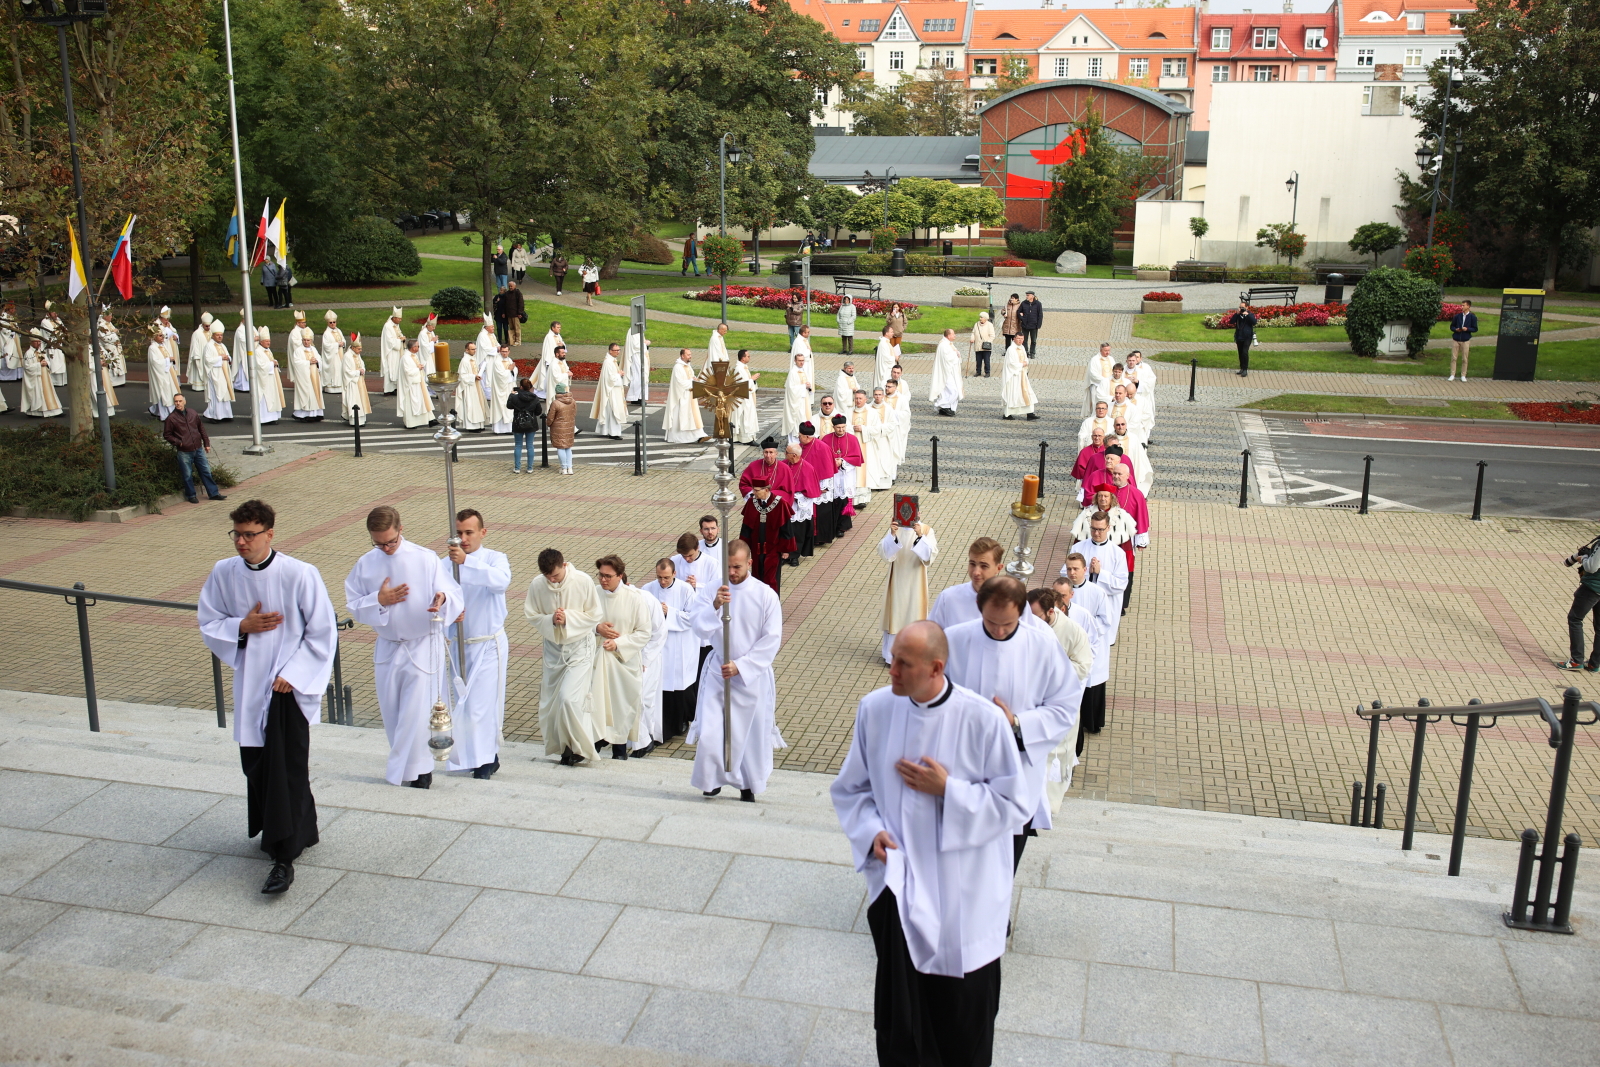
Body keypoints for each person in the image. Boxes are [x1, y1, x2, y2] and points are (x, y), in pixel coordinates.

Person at [830, 620, 1027, 1067]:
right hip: (901, 889)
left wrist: (950, 791)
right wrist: (870, 833)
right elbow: (852, 790)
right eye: (893, 658)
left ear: (936, 668)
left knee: (961, 1027)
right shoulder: (875, 709)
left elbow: (1015, 805)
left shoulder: (983, 720)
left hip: (964, 899)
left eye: (904, 663)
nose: (891, 670)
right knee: (902, 1026)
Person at [197, 499, 337, 895]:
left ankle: (283, 857)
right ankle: (301, 829)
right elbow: (208, 620)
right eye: (237, 534)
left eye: (249, 535)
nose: (241, 542)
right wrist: (242, 625)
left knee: (285, 769)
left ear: (270, 534)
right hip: (250, 683)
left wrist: (293, 674)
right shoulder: (224, 573)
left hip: (287, 687)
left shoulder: (299, 574)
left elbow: (323, 632)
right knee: (256, 764)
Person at [945, 575, 1081, 870]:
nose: (998, 630)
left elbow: (1065, 706)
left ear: (1021, 613)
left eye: (1007, 624)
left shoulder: (1042, 644)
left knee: (1003, 866)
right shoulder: (955, 639)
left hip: (1018, 767)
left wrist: (1018, 721)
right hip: (964, 766)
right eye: (991, 622)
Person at [344, 506, 463, 788]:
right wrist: (378, 600)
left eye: (390, 541)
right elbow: (354, 605)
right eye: (379, 543)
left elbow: (453, 593)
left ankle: (420, 772)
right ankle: (409, 768)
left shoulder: (424, 558)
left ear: (401, 529)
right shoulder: (366, 563)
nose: (385, 548)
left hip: (422, 644)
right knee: (394, 713)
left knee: (416, 713)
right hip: (388, 646)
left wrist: (442, 600)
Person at [688, 541, 784, 802]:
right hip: (719, 671)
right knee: (712, 731)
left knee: (749, 734)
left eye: (737, 567)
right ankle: (712, 780)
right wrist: (716, 606)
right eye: (728, 566)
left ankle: (747, 784)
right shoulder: (713, 590)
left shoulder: (765, 595)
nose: (731, 572)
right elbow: (697, 626)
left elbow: (772, 638)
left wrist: (741, 666)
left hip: (750, 676)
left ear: (749, 563)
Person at [444, 509, 512, 779]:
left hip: (487, 644)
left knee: (483, 703)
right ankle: (470, 754)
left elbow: (500, 582)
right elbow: (436, 597)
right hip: (458, 644)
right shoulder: (443, 563)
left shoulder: (495, 559)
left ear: (482, 532)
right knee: (464, 703)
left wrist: (467, 563)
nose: (463, 539)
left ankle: (487, 759)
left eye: (469, 533)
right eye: (458, 533)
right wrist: (449, 610)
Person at [523, 547, 605, 765]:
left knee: (569, 698)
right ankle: (565, 747)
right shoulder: (537, 584)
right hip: (553, 650)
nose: (552, 580)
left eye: (556, 575)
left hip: (579, 648)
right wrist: (551, 619)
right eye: (547, 576)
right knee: (554, 702)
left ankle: (581, 747)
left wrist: (568, 617)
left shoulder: (582, 581)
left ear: (564, 565)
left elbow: (595, 615)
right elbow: (531, 614)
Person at [589, 555, 658, 759]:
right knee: (598, 703)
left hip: (624, 662)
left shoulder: (634, 598)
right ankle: (596, 742)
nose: (603, 580)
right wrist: (597, 628)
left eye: (608, 576)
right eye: (600, 575)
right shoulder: (593, 594)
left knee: (622, 706)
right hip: (598, 661)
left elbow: (644, 632)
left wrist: (618, 643)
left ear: (620, 575)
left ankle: (619, 750)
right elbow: (582, 622)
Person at [1030, 586, 1094, 806]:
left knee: (1054, 762)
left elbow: (1083, 667)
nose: (1031, 622)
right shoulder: (1027, 627)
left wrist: (1053, 668)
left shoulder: (1073, 631)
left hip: (1059, 704)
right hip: (1032, 704)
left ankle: (1048, 806)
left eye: (1036, 616)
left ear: (1050, 612)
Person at [642, 558, 699, 741]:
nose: (662, 581)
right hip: (658, 646)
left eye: (666, 577)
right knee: (659, 688)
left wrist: (669, 612)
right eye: (659, 577)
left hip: (679, 645)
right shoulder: (648, 589)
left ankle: (679, 722)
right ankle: (660, 727)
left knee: (678, 687)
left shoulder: (685, 589)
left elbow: (692, 617)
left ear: (674, 574)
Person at [1060, 553, 1113, 743]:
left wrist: (1086, 633)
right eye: (1069, 569)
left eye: (1076, 569)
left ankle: (1091, 722)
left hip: (1092, 643)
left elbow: (1106, 620)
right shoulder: (1061, 591)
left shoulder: (1097, 592)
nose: (1072, 572)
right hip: (1068, 647)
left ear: (1085, 570)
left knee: (1091, 684)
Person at [878, 516, 937, 663]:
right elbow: (885, 554)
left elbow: (930, 556)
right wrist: (892, 534)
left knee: (914, 613)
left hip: (916, 580)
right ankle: (892, 656)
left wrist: (919, 536)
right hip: (898, 578)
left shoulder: (926, 530)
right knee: (896, 613)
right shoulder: (896, 529)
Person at [1070, 510, 1130, 643]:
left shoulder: (1118, 553)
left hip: (1106, 603)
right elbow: (1065, 573)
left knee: (1102, 643)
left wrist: (1100, 573)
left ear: (1108, 528)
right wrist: (1085, 572)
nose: (1096, 533)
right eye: (1093, 529)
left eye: (1100, 530)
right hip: (1082, 600)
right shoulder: (1078, 548)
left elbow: (1121, 584)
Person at [929, 537, 1006, 631]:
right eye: (972, 564)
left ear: (998, 568)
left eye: (984, 566)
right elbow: (932, 634)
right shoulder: (948, 597)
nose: (976, 572)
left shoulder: (1012, 600)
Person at [162, 393, 228, 503]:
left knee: (206, 471)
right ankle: (191, 495)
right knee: (187, 475)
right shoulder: (171, 418)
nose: (178, 403)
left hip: (198, 449)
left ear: (184, 401)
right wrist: (179, 442)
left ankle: (214, 493)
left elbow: (201, 428)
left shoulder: (192, 413)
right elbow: (167, 434)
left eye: (180, 401)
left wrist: (206, 443)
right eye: (176, 401)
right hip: (184, 451)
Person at [739, 480, 795, 591]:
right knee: (756, 577)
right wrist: (743, 547)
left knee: (771, 578)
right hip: (756, 548)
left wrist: (785, 549)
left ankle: (772, 604)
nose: (753, 493)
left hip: (773, 548)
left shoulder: (780, 503)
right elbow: (746, 527)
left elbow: (786, 528)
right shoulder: (751, 502)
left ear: (766, 489)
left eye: (756, 490)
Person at [1559, 537, 1600, 672]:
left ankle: (1576, 660)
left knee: (1575, 619)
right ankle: (1595, 663)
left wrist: (1583, 559)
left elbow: (1592, 567)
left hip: (1592, 588)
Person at [784, 440, 822, 562]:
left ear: (794, 455)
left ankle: (795, 555)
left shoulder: (807, 468)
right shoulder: (784, 464)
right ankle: (785, 554)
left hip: (800, 504)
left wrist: (797, 496)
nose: (785, 454)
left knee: (798, 530)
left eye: (787, 452)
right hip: (786, 504)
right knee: (786, 530)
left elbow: (812, 490)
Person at [664, 347, 706, 443]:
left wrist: (695, 379)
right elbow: (679, 382)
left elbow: (691, 377)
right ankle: (680, 436)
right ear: (682, 356)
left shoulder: (688, 366)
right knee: (682, 416)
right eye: (688, 355)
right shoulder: (678, 367)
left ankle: (698, 435)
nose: (690, 356)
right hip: (681, 396)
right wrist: (692, 381)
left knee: (692, 415)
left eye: (690, 354)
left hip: (689, 394)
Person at [592, 340, 629, 439]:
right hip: (611, 391)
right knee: (613, 411)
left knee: (611, 412)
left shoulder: (612, 360)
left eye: (619, 350)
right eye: (615, 350)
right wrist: (619, 374)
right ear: (610, 351)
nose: (618, 352)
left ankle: (608, 430)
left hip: (614, 390)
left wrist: (618, 374)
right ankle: (613, 433)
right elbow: (610, 379)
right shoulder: (608, 362)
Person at [507, 376, 542, 473]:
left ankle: (517, 468)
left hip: (518, 422)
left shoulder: (515, 397)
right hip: (531, 423)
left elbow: (509, 406)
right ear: (530, 387)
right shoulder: (534, 398)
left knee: (518, 445)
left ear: (521, 387)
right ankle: (530, 468)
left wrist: (511, 395)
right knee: (530, 445)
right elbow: (538, 411)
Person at [141, 323, 176, 420]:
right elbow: (155, 362)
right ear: (154, 336)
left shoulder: (163, 346)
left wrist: (170, 361)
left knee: (169, 392)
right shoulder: (152, 348)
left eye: (163, 336)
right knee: (163, 392)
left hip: (167, 372)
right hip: (159, 374)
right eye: (160, 336)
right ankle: (165, 414)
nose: (163, 338)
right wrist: (168, 360)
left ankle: (155, 410)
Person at [202, 322, 236, 422]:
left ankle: (226, 414)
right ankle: (213, 415)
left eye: (221, 335)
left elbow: (228, 356)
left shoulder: (222, 346)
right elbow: (208, 360)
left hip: (224, 373)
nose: (220, 337)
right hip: (214, 373)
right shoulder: (209, 346)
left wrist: (227, 358)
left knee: (225, 392)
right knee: (216, 393)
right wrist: (220, 358)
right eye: (218, 335)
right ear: (213, 335)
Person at [396, 339, 434, 429]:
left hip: (417, 383)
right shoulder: (406, 358)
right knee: (411, 403)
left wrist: (420, 367)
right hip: (410, 385)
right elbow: (408, 372)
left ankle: (427, 420)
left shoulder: (414, 356)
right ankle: (410, 423)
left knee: (422, 401)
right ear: (413, 347)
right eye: (417, 346)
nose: (418, 348)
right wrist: (418, 368)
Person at [1000, 333, 1037, 421]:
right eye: (1018, 338)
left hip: (1022, 374)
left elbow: (1025, 357)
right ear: (1014, 339)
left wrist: (1026, 362)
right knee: (1013, 393)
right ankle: (1007, 414)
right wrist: (1022, 364)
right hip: (1014, 376)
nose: (1020, 340)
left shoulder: (1022, 347)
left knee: (1026, 392)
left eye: (1022, 339)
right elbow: (1011, 364)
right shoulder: (1011, 350)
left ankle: (1030, 413)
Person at [454, 342, 489, 432]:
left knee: (479, 404)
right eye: (473, 349)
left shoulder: (473, 358)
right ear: (467, 350)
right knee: (472, 405)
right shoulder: (464, 361)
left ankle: (480, 424)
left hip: (476, 385)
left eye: (475, 349)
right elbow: (462, 375)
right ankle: (472, 426)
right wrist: (474, 377)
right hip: (469, 386)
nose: (475, 351)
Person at [253, 326, 285, 425]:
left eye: (269, 341)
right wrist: (272, 364)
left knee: (273, 395)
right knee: (264, 398)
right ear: (261, 342)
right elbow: (260, 366)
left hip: (271, 378)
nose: (269, 343)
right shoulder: (257, 351)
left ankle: (272, 417)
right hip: (263, 380)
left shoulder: (267, 350)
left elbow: (271, 361)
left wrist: (274, 363)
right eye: (266, 341)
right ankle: (263, 418)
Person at [289, 334, 324, 421]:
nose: (306, 342)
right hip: (305, 377)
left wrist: (317, 361)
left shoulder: (313, 349)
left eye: (308, 340)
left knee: (315, 393)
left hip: (315, 376)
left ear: (311, 341)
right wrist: (308, 362)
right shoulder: (298, 351)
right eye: (304, 340)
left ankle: (316, 413)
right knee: (308, 393)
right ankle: (304, 414)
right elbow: (296, 363)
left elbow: (319, 359)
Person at [928, 328, 963, 417]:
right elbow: (947, 358)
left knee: (947, 391)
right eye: (953, 334)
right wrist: (956, 354)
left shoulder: (948, 344)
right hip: (945, 372)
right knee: (953, 390)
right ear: (948, 336)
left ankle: (947, 407)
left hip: (950, 371)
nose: (955, 336)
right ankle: (942, 405)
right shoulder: (943, 345)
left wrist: (956, 353)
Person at [781, 351, 813, 441]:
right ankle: (795, 441)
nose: (801, 362)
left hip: (804, 399)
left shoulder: (802, 371)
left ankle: (803, 439)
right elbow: (791, 388)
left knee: (805, 417)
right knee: (798, 420)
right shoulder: (793, 372)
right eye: (799, 360)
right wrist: (804, 386)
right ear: (795, 361)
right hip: (796, 401)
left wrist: (808, 387)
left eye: (803, 360)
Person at [731, 349, 761, 444]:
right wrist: (752, 379)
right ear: (743, 358)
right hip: (742, 397)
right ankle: (746, 439)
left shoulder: (744, 367)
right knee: (745, 417)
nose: (749, 357)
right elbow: (742, 384)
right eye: (748, 356)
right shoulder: (739, 369)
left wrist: (752, 380)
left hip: (746, 396)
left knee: (746, 417)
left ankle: (743, 437)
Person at [548, 380, 577, 475]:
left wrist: (548, 423)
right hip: (569, 426)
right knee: (568, 447)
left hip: (558, 427)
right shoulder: (572, 401)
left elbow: (550, 418)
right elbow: (574, 413)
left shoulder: (555, 403)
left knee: (560, 447)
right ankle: (570, 468)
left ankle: (563, 468)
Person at [341, 333, 370, 426]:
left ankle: (362, 419)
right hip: (352, 382)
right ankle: (354, 420)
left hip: (359, 380)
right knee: (354, 400)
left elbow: (362, 364)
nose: (360, 351)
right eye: (359, 349)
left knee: (361, 399)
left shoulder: (356, 354)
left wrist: (362, 370)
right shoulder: (347, 356)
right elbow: (347, 371)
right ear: (353, 348)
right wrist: (358, 372)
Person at [1448, 299, 1478, 381]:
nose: (1462, 307)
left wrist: (1467, 329)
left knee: (1465, 358)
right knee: (1454, 358)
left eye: (1463, 305)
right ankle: (1452, 374)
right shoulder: (1457, 316)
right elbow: (1452, 327)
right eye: (1462, 305)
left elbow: (1475, 329)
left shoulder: (1472, 317)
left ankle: (1463, 375)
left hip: (1465, 340)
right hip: (1456, 339)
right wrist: (1456, 329)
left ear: (1468, 306)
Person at [380, 307, 405, 395]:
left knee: (396, 368)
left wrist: (402, 338)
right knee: (389, 369)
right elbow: (389, 341)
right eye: (399, 318)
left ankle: (394, 387)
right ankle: (387, 390)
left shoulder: (396, 325)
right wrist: (399, 340)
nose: (400, 320)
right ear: (394, 318)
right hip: (390, 351)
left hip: (396, 352)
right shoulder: (388, 326)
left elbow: (399, 333)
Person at [186, 311, 214, 392]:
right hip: (200, 356)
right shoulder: (197, 333)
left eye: (209, 326)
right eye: (206, 326)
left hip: (209, 356)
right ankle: (198, 386)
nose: (208, 327)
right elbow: (194, 346)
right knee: (199, 370)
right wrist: (196, 355)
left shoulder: (211, 332)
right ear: (203, 324)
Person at [320, 311, 344, 396]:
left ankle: (340, 386)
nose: (333, 324)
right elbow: (326, 346)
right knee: (334, 369)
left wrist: (343, 343)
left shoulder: (338, 331)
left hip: (339, 354)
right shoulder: (326, 334)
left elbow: (343, 340)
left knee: (340, 368)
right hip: (332, 356)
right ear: (328, 323)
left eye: (334, 322)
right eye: (331, 322)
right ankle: (331, 387)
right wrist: (337, 344)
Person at [1233, 300, 1257, 377]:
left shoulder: (1250, 314)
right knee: (1240, 352)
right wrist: (1237, 314)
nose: (1241, 309)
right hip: (1239, 336)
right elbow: (1231, 321)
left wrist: (1247, 315)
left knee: (1244, 352)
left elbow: (1254, 322)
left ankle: (1245, 369)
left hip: (1247, 336)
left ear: (1247, 307)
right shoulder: (1238, 315)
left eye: (1243, 307)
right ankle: (1241, 368)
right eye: (1240, 307)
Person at [969, 310, 996, 378]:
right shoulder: (976, 324)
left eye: (982, 317)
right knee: (978, 360)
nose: (980, 318)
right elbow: (973, 333)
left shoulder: (990, 325)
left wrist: (987, 342)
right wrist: (972, 338)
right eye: (980, 317)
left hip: (986, 346)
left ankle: (987, 372)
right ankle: (978, 371)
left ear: (985, 318)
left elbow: (992, 335)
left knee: (986, 360)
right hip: (978, 345)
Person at [1017, 289, 1043, 357]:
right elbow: (1018, 312)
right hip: (1025, 325)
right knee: (1024, 340)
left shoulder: (1038, 304)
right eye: (1026, 295)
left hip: (1034, 326)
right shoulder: (1023, 303)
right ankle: (1025, 352)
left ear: (1032, 296)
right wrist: (1022, 318)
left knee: (1033, 340)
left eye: (1028, 295)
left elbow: (1040, 315)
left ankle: (1032, 353)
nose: (1026, 297)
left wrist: (1038, 325)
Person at [502, 280, 526, 348]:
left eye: (511, 286)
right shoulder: (507, 294)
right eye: (509, 286)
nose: (510, 287)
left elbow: (521, 303)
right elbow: (504, 304)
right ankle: (512, 340)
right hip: (509, 314)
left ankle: (518, 341)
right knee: (512, 328)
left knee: (517, 328)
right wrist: (504, 312)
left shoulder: (518, 293)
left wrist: (519, 312)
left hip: (516, 314)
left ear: (515, 286)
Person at [874, 324, 896, 388]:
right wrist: (895, 358)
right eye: (891, 332)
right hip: (885, 369)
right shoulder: (883, 344)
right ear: (886, 333)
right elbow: (886, 359)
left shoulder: (887, 342)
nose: (893, 333)